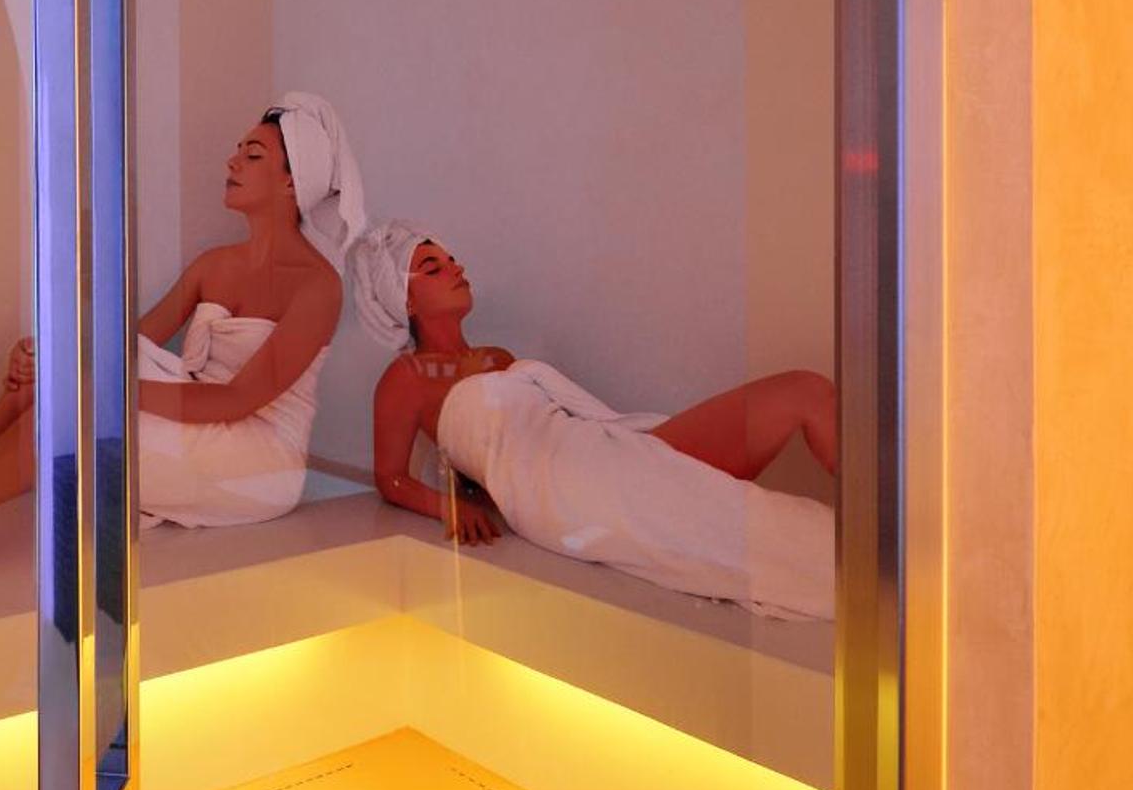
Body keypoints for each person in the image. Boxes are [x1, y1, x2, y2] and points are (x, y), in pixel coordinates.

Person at [0, 93, 366, 560]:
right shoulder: (214, 264)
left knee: (77, 404)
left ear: (292, 183)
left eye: (253, 155)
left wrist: (111, 391)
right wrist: (48, 357)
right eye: (238, 150)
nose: (233, 161)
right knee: (48, 374)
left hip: (261, 458)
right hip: (198, 412)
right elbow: (127, 345)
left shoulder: (318, 287)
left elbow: (238, 400)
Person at [350, 220, 836, 619]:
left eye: (452, 259)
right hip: (567, 491)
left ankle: (880, 526)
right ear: (405, 301)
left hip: (599, 449)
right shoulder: (406, 377)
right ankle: (865, 564)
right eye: (433, 267)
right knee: (764, 504)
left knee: (806, 390)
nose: (456, 268)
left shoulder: (499, 357)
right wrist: (451, 508)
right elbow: (390, 477)